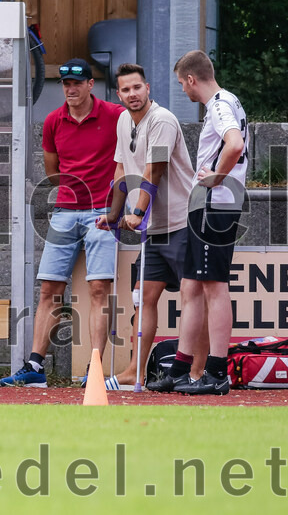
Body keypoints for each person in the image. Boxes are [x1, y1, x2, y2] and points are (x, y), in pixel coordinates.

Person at [1, 59, 124, 387]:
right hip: (66, 210)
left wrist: (117, 205)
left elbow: (129, 157)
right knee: (49, 288)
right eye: (65, 84)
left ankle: (95, 368)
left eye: (76, 83)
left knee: (99, 288)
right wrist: (72, 194)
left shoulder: (115, 115)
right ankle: (35, 367)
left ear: (89, 85)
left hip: (102, 210)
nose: (69, 89)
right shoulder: (54, 121)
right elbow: (52, 169)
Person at [147, 50, 248, 395]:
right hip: (204, 206)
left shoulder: (219, 104)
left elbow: (234, 144)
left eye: (182, 84)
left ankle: (217, 371)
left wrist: (218, 177)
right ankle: (179, 369)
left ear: (191, 79)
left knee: (214, 287)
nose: (184, 92)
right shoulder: (226, 103)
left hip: (213, 206)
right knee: (191, 286)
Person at [96, 63, 198, 386]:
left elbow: (154, 170)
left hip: (181, 222)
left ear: (148, 88)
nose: (131, 95)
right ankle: (134, 371)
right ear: (118, 94)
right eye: (125, 90)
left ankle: (198, 371)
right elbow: (119, 169)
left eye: (136, 88)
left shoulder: (163, 120)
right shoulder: (123, 121)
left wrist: (137, 214)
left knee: (193, 297)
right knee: (143, 297)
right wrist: (114, 213)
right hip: (153, 230)